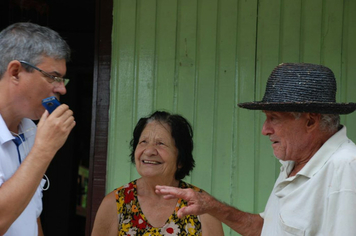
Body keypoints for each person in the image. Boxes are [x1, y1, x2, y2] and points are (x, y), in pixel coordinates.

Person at [156, 63, 356, 235]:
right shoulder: (295, 162)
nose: (265, 130)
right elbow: (266, 230)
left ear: (311, 121)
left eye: (273, 118)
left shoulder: (346, 168)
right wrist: (211, 205)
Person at [92, 111, 223, 236]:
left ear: (180, 160)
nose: (149, 151)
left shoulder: (202, 206)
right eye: (143, 142)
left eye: (161, 143)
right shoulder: (115, 203)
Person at [0, 22, 75, 235]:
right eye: (53, 76)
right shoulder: (42, 142)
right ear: (15, 72)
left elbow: (29, 214)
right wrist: (44, 151)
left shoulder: (31, 130)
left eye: (62, 78)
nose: (62, 88)